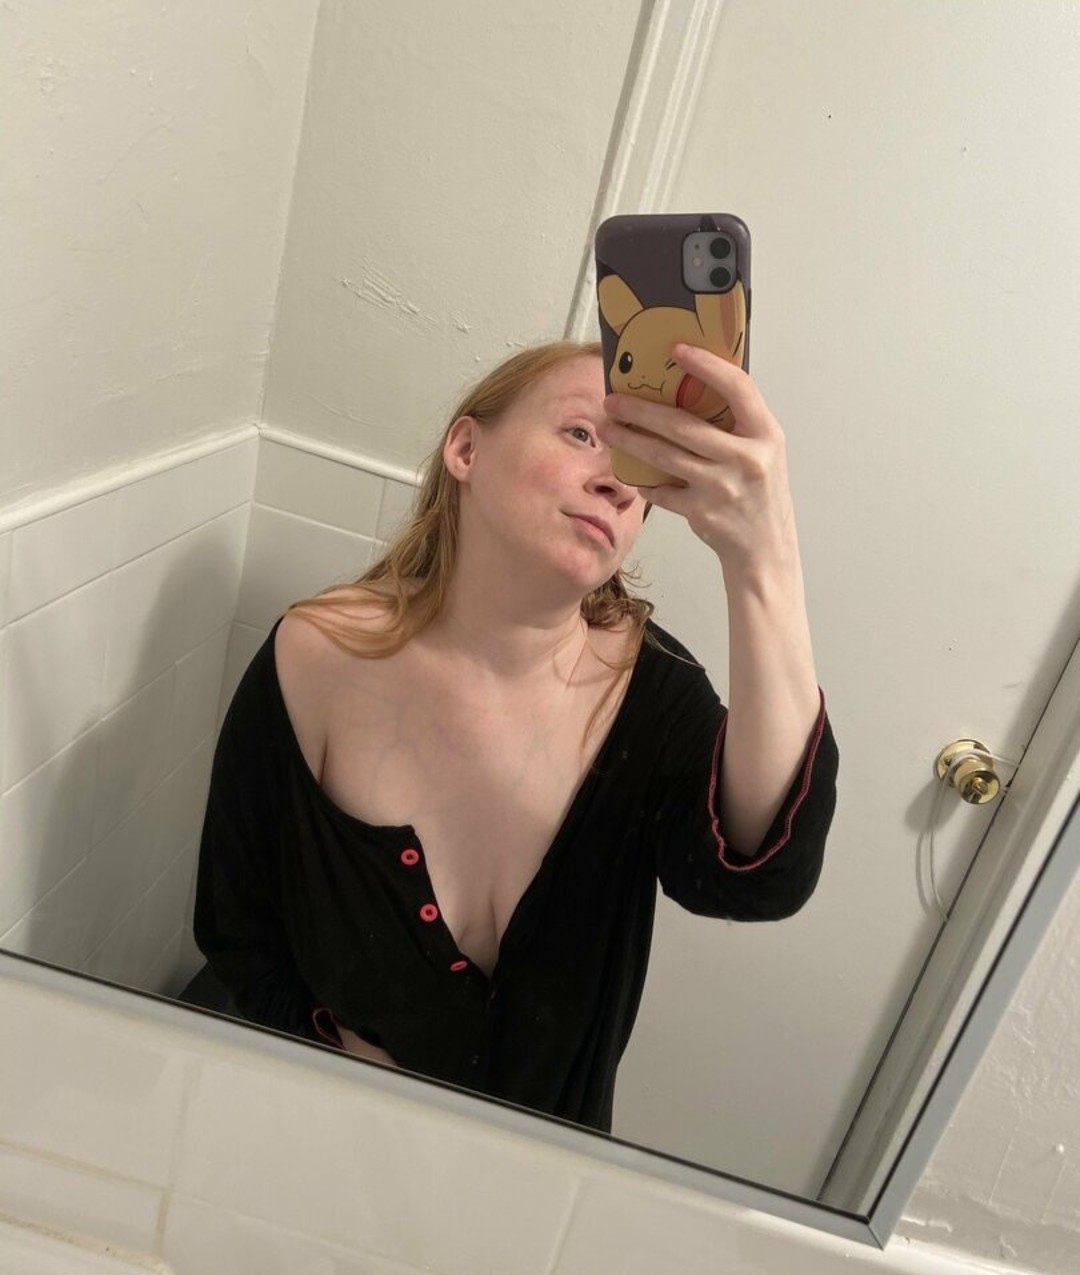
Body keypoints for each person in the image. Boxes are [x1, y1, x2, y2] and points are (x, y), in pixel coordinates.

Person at [193, 338, 838, 1132]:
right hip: (318, 1132)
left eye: (638, 468)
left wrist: (763, 557)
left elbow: (758, 877)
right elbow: (235, 927)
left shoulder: (653, 693)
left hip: (540, 1179)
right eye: (582, 433)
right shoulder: (314, 657)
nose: (616, 481)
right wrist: (336, 1059)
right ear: (466, 449)